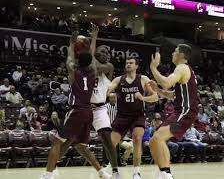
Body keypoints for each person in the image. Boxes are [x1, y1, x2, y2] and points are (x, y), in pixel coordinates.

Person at [40, 30, 110, 179]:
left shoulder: (73, 72)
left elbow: (70, 57)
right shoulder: (93, 71)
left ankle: (48, 175)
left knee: (56, 143)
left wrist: (71, 43)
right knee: (81, 146)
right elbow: (90, 55)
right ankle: (102, 172)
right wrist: (94, 37)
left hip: (77, 111)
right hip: (88, 112)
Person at [148, 44, 200, 179]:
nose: (172, 53)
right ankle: (163, 172)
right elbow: (172, 95)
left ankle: (166, 174)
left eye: (175, 51)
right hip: (181, 110)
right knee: (154, 140)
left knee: (158, 138)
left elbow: (166, 83)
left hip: (185, 111)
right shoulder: (184, 70)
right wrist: (158, 90)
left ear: (181, 55)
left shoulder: (182, 68)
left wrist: (153, 68)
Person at [107, 57, 159, 179]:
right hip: (121, 116)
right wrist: (110, 93)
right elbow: (108, 91)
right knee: (111, 143)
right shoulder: (119, 79)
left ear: (136, 66)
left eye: (131, 63)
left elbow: (155, 97)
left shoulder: (143, 79)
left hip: (137, 116)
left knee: (137, 138)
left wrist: (143, 98)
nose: (128, 65)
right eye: (126, 63)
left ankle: (136, 172)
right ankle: (115, 171)